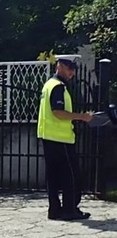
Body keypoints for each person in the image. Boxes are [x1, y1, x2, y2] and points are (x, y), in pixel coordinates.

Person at [37, 54, 94, 221]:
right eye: (70, 69)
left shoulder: (49, 84)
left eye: (74, 70)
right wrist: (82, 117)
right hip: (61, 138)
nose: (73, 73)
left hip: (48, 136)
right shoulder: (58, 87)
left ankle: (55, 210)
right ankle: (70, 209)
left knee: (53, 176)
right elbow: (58, 112)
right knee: (70, 175)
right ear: (60, 66)